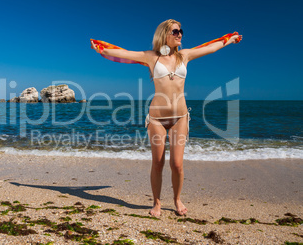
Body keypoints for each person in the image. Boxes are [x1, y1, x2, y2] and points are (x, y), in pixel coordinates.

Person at [90, 19, 242, 216]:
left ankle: (177, 200)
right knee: (158, 163)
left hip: (180, 117)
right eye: (176, 31)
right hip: (157, 119)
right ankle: (157, 203)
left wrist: (230, 40)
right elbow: (124, 53)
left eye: (181, 31)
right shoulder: (151, 57)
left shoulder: (184, 56)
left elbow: (210, 48)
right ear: (165, 35)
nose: (180, 35)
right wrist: (101, 49)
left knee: (177, 164)